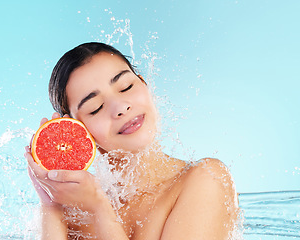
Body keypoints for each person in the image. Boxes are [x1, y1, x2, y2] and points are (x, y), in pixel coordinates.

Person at [24, 42, 239, 239]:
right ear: (79, 131)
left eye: (126, 86)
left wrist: (101, 210)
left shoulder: (207, 179)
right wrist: (51, 204)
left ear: (144, 84)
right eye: (95, 108)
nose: (121, 107)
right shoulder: (76, 216)